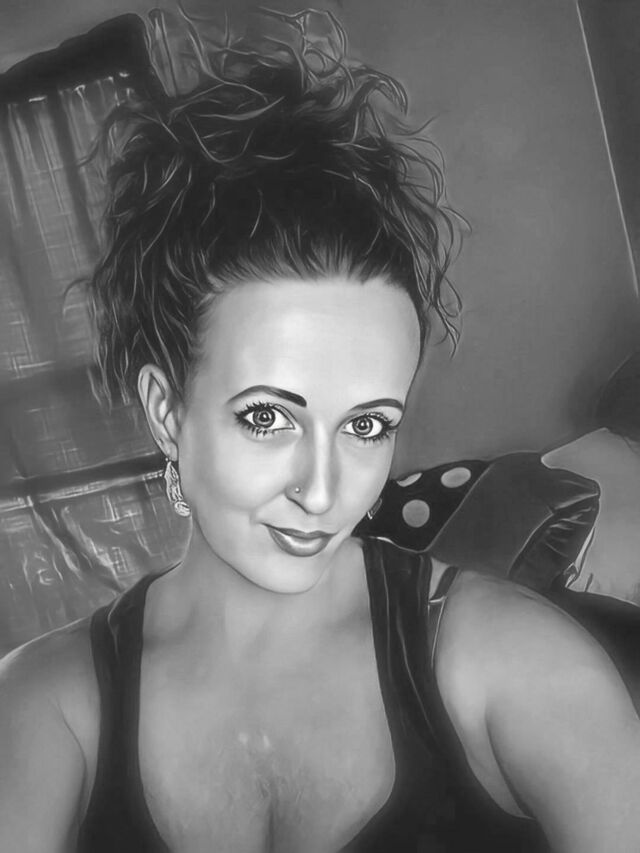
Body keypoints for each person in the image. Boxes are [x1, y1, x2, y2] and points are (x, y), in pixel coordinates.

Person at [1, 9, 639, 853]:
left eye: (367, 424)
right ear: (165, 410)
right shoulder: (44, 707)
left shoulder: (519, 666)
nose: (324, 490)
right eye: (267, 416)